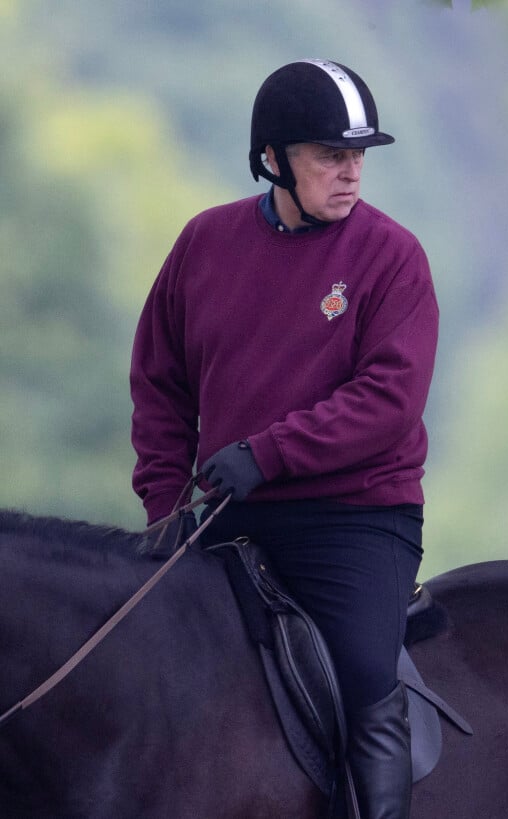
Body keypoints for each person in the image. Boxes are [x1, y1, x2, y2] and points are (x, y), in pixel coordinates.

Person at [130, 58, 439, 819]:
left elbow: (388, 401)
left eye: (359, 155)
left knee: (368, 674)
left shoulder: (392, 257)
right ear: (272, 159)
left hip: (357, 517)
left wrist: (266, 452)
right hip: (227, 511)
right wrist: (165, 507)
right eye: (330, 155)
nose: (351, 173)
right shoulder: (204, 245)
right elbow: (160, 384)